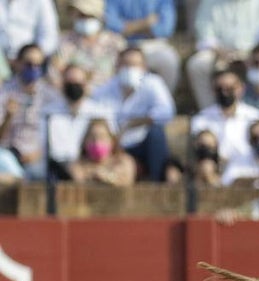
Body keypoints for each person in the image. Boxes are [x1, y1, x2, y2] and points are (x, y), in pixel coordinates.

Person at [92, 46, 176, 181]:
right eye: (126, 65)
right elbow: (96, 115)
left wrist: (134, 123)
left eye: (135, 65)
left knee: (156, 133)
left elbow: (166, 112)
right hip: (113, 145)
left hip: (142, 144)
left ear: (144, 68)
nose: (130, 69)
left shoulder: (152, 83)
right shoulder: (105, 89)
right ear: (117, 66)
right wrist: (114, 137)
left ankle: (158, 184)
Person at [186, 0, 259, 110]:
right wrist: (220, 51)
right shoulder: (209, 2)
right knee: (198, 64)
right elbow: (204, 33)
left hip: (254, 52)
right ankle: (210, 111)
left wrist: (252, 54)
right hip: (220, 52)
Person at [0, 44, 66, 180]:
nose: (33, 69)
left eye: (38, 65)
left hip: (40, 158)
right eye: (28, 64)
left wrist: (38, 154)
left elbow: (60, 134)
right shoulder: (4, 92)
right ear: (18, 63)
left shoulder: (49, 94)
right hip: (8, 155)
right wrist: (8, 117)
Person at [45, 63, 117, 179]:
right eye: (70, 83)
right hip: (59, 169)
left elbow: (110, 144)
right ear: (62, 84)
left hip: (94, 166)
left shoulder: (101, 112)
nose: (74, 86)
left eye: (78, 83)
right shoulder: (49, 112)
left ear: (86, 84)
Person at [190, 64, 259, 169]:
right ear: (213, 90)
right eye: (219, 89)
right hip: (217, 174)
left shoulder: (257, 117)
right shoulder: (200, 120)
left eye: (230, 88)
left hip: (251, 170)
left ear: (241, 88)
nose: (225, 93)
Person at [103, 0, 180, 92]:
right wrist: (145, 23)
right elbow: (112, 26)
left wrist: (129, 27)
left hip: (152, 44)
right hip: (123, 44)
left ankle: (163, 100)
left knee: (168, 60)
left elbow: (165, 30)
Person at [53, 0, 127, 87]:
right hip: (74, 95)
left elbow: (122, 74)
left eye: (87, 16)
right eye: (80, 15)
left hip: (108, 95)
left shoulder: (116, 43)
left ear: (98, 17)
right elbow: (55, 73)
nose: (83, 19)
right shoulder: (65, 41)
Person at [66, 116, 137, 185]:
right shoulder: (77, 164)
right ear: (85, 141)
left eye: (102, 137)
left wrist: (106, 177)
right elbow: (78, 180)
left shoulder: (123, 161)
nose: (97, 142)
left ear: (112, 141)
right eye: (92, 137)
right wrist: (96, 174)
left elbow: (126, 180)